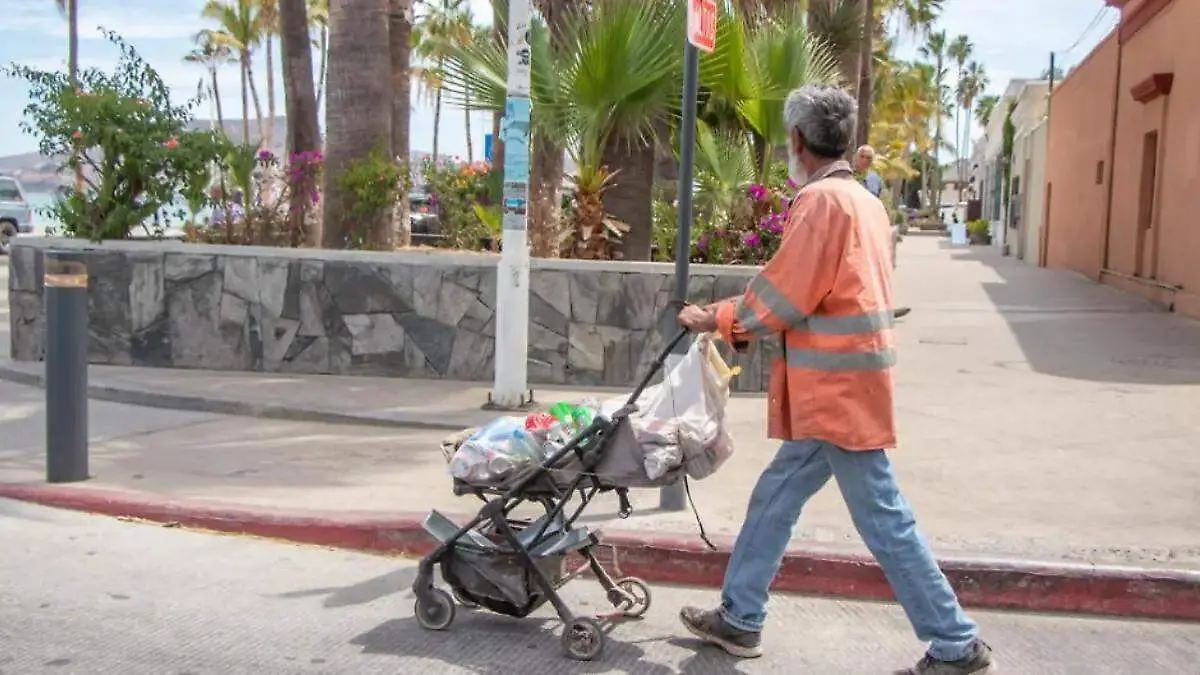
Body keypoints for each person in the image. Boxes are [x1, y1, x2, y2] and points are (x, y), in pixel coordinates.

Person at [674, 83, 994, 675]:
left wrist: (715, 317)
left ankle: (955, 643)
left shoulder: (821, 202)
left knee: (884, 518)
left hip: (835, 393)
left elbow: (785, 294)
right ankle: (740, 616)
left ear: (798, 140)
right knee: (776, 498)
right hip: (846, 386)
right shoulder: (866, 202)